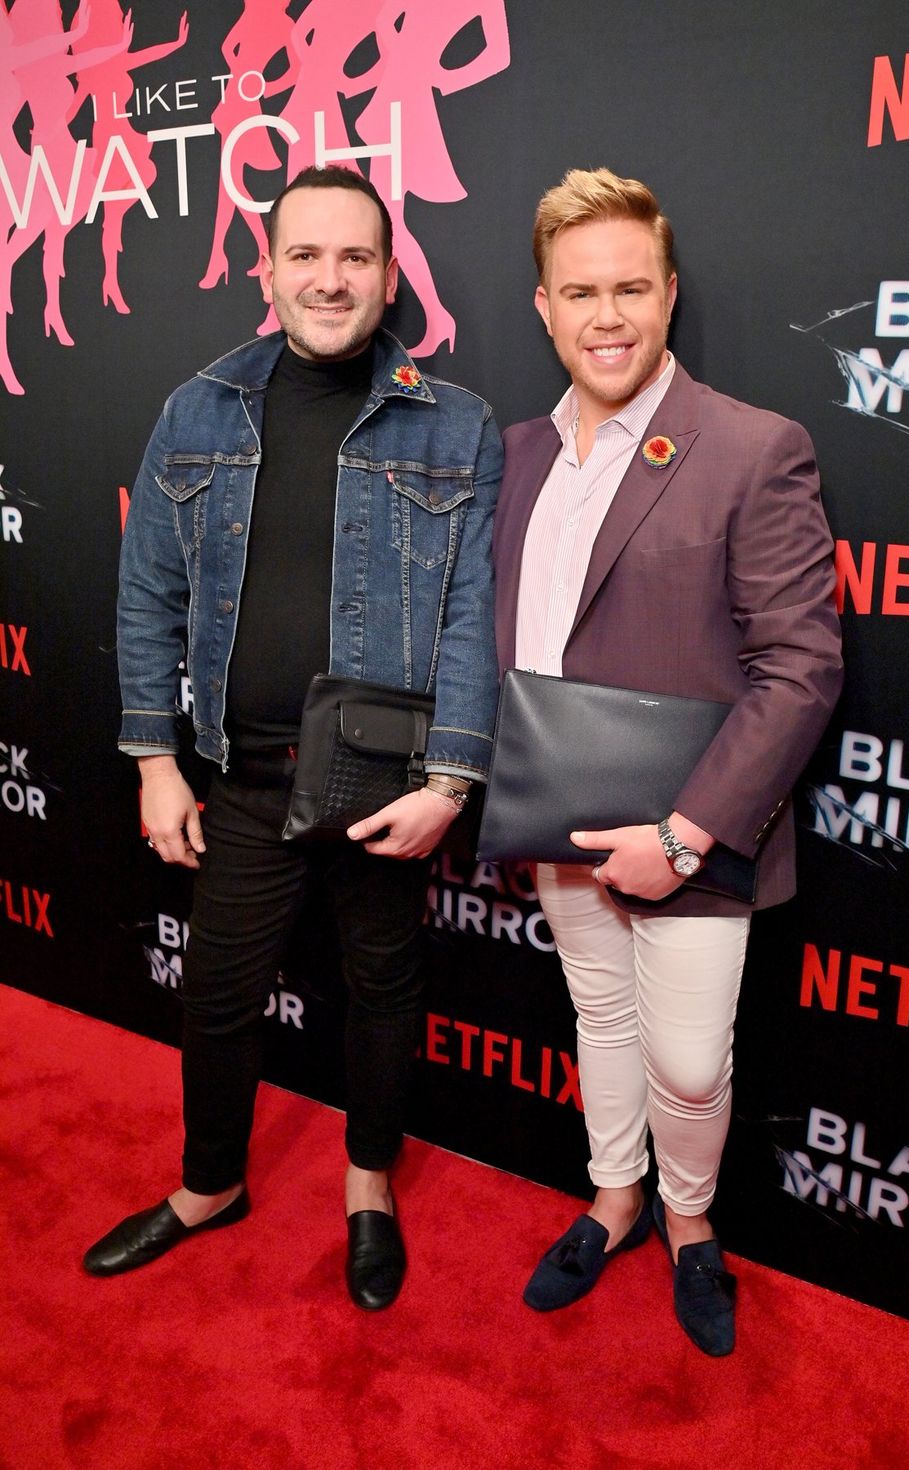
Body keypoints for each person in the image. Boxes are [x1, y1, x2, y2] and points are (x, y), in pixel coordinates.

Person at [84, 165, 502, 1311]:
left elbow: (471, 614)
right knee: (217, 996)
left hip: (383, 784)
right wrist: (154, 759)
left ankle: (369, 1186)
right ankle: (210, 1185)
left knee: (382, 988)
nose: (330, 278)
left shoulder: (453, 422)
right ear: (265, 272)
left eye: (354, 257)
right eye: (305, 255)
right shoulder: (196, 408)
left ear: (388, 276)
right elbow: (146, 593)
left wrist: (449, 784)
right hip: (238, 778)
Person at [493, 168, 843, 1355]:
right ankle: (613, 1199)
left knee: (688, 1066)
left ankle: (689, 1223)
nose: (606, 316)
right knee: (597, 1017)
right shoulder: (515, 457)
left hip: (689, 834)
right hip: (554, 819)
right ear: (543, 307)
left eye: (629, 288)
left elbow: (799, 670)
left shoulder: (750, 447)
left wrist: (685, 837)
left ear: (669, 293)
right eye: (579, 292)